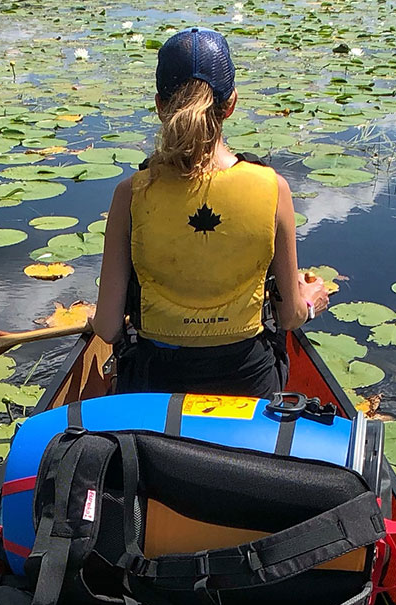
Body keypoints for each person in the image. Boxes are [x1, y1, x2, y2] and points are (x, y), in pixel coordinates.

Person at [91, 27, 333, 398]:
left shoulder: (130, 194)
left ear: (160, 105)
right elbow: (289, 317)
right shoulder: (273, 188)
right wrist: (309, 302)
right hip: (248, 380)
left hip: (155, 383)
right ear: (231, 103)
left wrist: (95, 319)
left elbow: (108, 328)